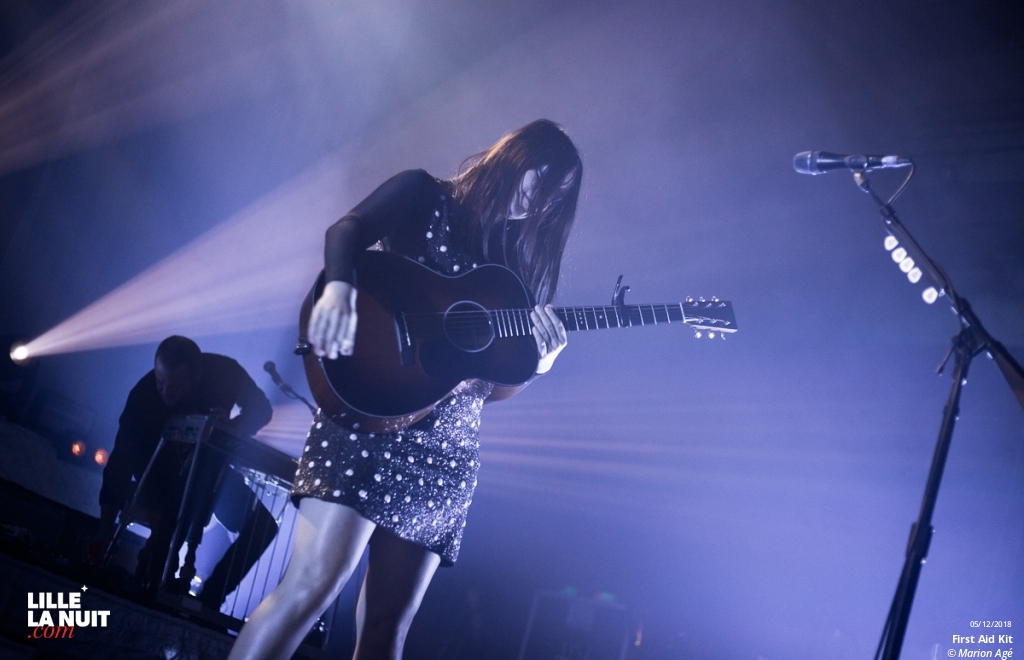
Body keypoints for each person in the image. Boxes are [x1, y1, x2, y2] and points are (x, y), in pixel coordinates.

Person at [228, 119, 583, 660]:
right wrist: (339, 288)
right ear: (515, 158)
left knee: (386, 634)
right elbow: (345, 231)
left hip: (446, 453)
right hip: (373, 411)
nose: (535, 205)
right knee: (310, 587)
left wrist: (540, 365)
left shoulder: (513, 267)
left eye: (550, 201)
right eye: (538, 182)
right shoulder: (424, 194)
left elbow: (487, 386)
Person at [88, 335, 279, 608]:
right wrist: (105, 528)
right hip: (160, 479)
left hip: (212, 474)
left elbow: (261, 409)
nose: (165, 393)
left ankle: (211, 600)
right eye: (160, 382)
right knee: (167, 540)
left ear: (197, 376)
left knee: (263, 527)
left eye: (175, 386)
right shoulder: (143, 396)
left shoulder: (224, 373)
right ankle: (150, 590)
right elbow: (119, 462)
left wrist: (234, 428)